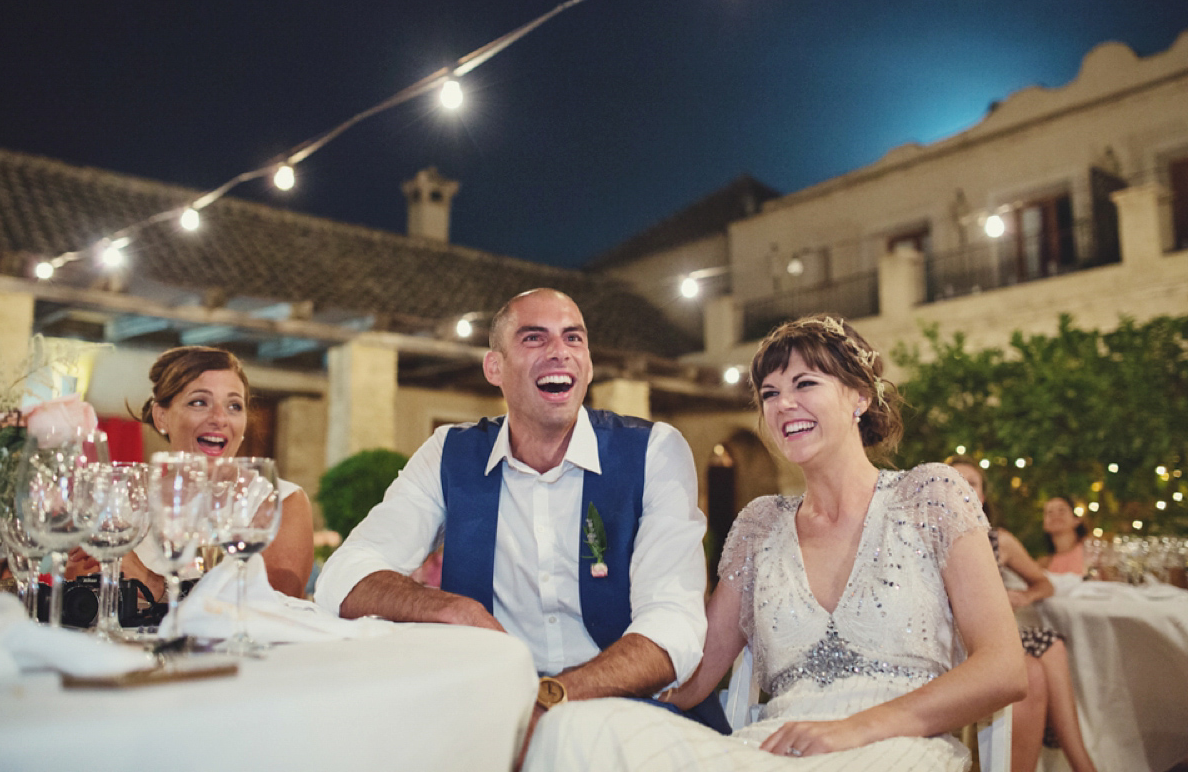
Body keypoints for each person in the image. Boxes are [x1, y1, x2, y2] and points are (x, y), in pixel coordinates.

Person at [522, 314, 1026, 772]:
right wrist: (581, 686)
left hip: (899, 747)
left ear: (861, 396)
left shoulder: (929, 497)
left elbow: (1003, 668)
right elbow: (693, 676)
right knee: (577, 731)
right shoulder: (760, 526)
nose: (784, 404)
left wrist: (855, 729)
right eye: (769, 393)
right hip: (772, 749)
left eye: (805, 383)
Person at [313, 289, 712, 755]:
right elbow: (342, 575)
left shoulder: (654, 452)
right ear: (494, 368)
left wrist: (551, 699)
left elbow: (675, 622)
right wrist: (453, 610)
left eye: (573, 338)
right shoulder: (449, 453)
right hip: (484, 706)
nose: (559, 351)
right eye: (534, 338)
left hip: (622, 710)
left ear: (586, 363)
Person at [71, 346, 315, 599]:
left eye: (234, 406)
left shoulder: (282, 501)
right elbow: (85, 586)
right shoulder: (123, 496)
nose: (220, 418)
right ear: (161, 417)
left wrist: (150, 582)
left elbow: (275, 604)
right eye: (199, 402)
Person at [948, 459, 1098, 772]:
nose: (962, 487)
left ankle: (1077, 763)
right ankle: (1082, 764)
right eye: (954, 479)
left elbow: (1044, 583)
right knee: (1036, 663)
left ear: (982, 497)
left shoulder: (998, 540)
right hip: (946, 641)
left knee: (1042, 656)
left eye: (971, 482)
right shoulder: (918, 534)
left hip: (989, 637)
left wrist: (1025, 596)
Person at [1038, 497, 1088, 576]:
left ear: (1076, 520)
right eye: (1049, 512)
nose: (1055, 515)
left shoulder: (1091, 551)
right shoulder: (1043, 564)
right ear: (1044, 525)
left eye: (1061, 511)